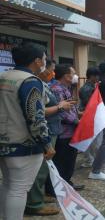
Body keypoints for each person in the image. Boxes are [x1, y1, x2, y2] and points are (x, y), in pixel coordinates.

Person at [0, 43, 55, 220]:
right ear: (37, 61)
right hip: (23, 144)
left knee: (8, 185)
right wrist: (46, 143)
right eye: (44, 59)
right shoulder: (30, 81)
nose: (45, 63)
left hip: (4, 142)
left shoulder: (4, 76)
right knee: (18, 188)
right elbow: (35, 116)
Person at [26, 60, 74, 216]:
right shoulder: (33, 84)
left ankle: (39, 196)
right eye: (51, 70)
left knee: (44, 167)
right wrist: (60, 106)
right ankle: (35, 203)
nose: (52, 73)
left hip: (52, 128)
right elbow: (39, 111)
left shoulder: (43, 84)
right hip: (44, 130)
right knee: (40, 168)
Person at [49, 64, 84, 191]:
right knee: (61, 161)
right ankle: (57, 188)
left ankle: (66, 184)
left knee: (69, 160)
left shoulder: (65, 88)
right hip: (63, 132)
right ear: (66, 76)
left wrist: (80, 114)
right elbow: (61, 112)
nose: (75, 76)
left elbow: (69, 108)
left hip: (70, 131)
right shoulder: (57, 89)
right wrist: (77, 121)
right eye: (73, 73)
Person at [78, 67, 101, 168]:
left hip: (89, 115)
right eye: (97, 76)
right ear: (92, 76)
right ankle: (90, 160)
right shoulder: (88, 89)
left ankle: (90, 159)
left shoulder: (90, 87)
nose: (98, 78)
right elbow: (90, 104)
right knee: (92, 140)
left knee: (91, 139)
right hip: (89, 115)